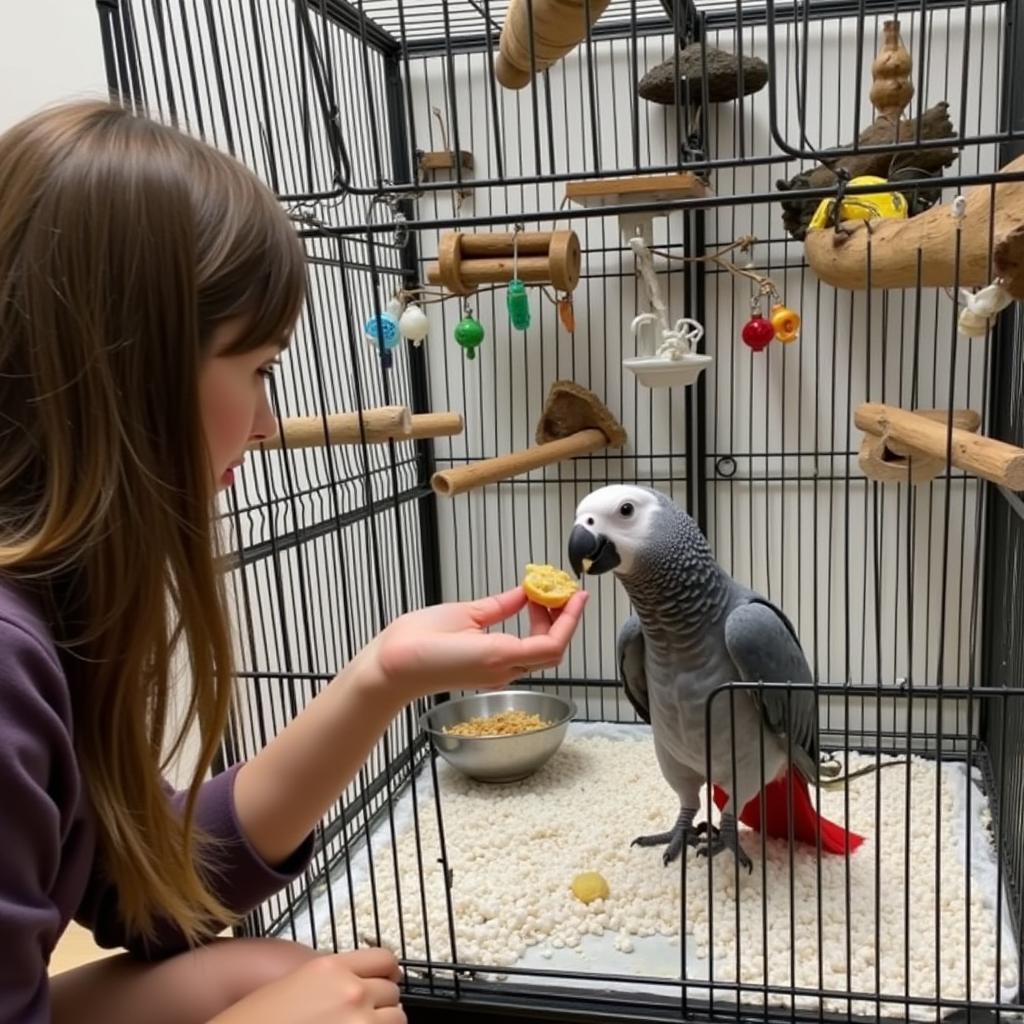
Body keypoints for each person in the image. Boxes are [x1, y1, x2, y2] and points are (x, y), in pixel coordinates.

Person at [0, 100, 588, 1024]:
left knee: (257, 968)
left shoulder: (54, 606)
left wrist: (383, 675)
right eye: (261, 368)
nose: (270, 424)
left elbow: (154, 889)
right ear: (136, 370)